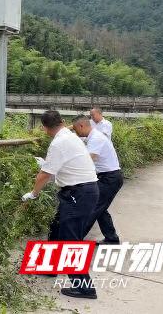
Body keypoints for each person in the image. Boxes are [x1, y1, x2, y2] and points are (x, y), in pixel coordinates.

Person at [22, 110, 99, 299]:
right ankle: (50, 268)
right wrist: (47, 163)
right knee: (56, 228)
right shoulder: (70, 136)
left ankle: (85, 288)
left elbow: (45, 175)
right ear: (63, 122)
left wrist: (33, 194)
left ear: (44, 128)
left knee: (69, 239)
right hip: (82, 191)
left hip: (78, 193)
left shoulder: (59, 142)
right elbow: (61, 165)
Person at [72, 115, 123, 245]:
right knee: (101, 208)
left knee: (92, 207)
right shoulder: (93, 136)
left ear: (81, 126)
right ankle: (112, 238)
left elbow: (89, 160)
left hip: (110, 178)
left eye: (75, 129)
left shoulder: (96, 138)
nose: (75, 132)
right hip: (107, 177)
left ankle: (74, 239)